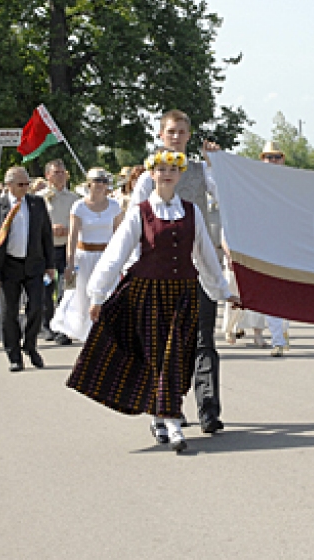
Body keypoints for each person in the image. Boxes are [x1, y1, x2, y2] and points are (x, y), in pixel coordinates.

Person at [67, 150, 240, 452]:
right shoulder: (140, 211)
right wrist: (98, 294)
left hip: (183, 293)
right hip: (147, 293)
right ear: (151, 175)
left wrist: (223, 291)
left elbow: (206, 256)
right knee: (158, 357)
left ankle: (163, 415)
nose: (167, 173)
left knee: (177, 357)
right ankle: (169, 419)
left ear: (181, 173)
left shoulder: (191, 211)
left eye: (173, 169)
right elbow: (116, 254)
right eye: (160, 169)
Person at [128, 110, 226, 434]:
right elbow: (134, 225)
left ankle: (209, 409)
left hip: (200, 268)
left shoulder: (200, 172)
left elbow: (227, 198)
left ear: (188, 136)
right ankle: (169, 408)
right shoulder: (148, 177)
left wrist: (218, 164)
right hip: (161, 274)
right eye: (171, 131)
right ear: (161, 135)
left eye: (182, 132)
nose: (176, 136)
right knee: (168, 344)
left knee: (203, 340)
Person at [222, 141, 292, 357]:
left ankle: (277, 339)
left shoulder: (289, 183)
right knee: (242, 294)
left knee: (276, 295)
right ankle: (231, 327)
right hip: (253, 245)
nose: (272, 161)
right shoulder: (251, 183)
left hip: (278, 244)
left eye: (276, 157)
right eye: (268, 157)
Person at [0, 166, 55, 372]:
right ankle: (14, 355)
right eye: (21, 184)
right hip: (8, 266)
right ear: (9, 185)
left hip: (34, 264)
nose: (26, 188)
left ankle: (30, 345)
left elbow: (46, 235)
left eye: (27, 183)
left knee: (36, 307)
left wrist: (50, 265)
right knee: (9, 313)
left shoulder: (36, 203)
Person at [51, 168, 121, 343]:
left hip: (106, 256)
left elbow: (120, 235)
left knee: (107, 293)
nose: (100, 185)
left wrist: (121, 261)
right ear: (89, 183)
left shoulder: (114, 206)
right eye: (97, 181)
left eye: (104, 181)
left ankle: (105, 331)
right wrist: (69, 263)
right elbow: (73, 236)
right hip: (84, 257)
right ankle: (83, 331)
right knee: (82, 296)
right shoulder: (79, 206)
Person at [39, 159, 80, 345]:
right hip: (46, 250)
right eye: (56, 172)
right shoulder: (40, 198)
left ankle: (63, 327)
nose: (60, 175)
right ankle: (47, 324)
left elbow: (80, 223)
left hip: (67, 249)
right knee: (47, 288)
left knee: (67, 288)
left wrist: (69, 230)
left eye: (63, 172)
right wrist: (50, 228)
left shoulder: (74, 199)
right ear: (48, 175)